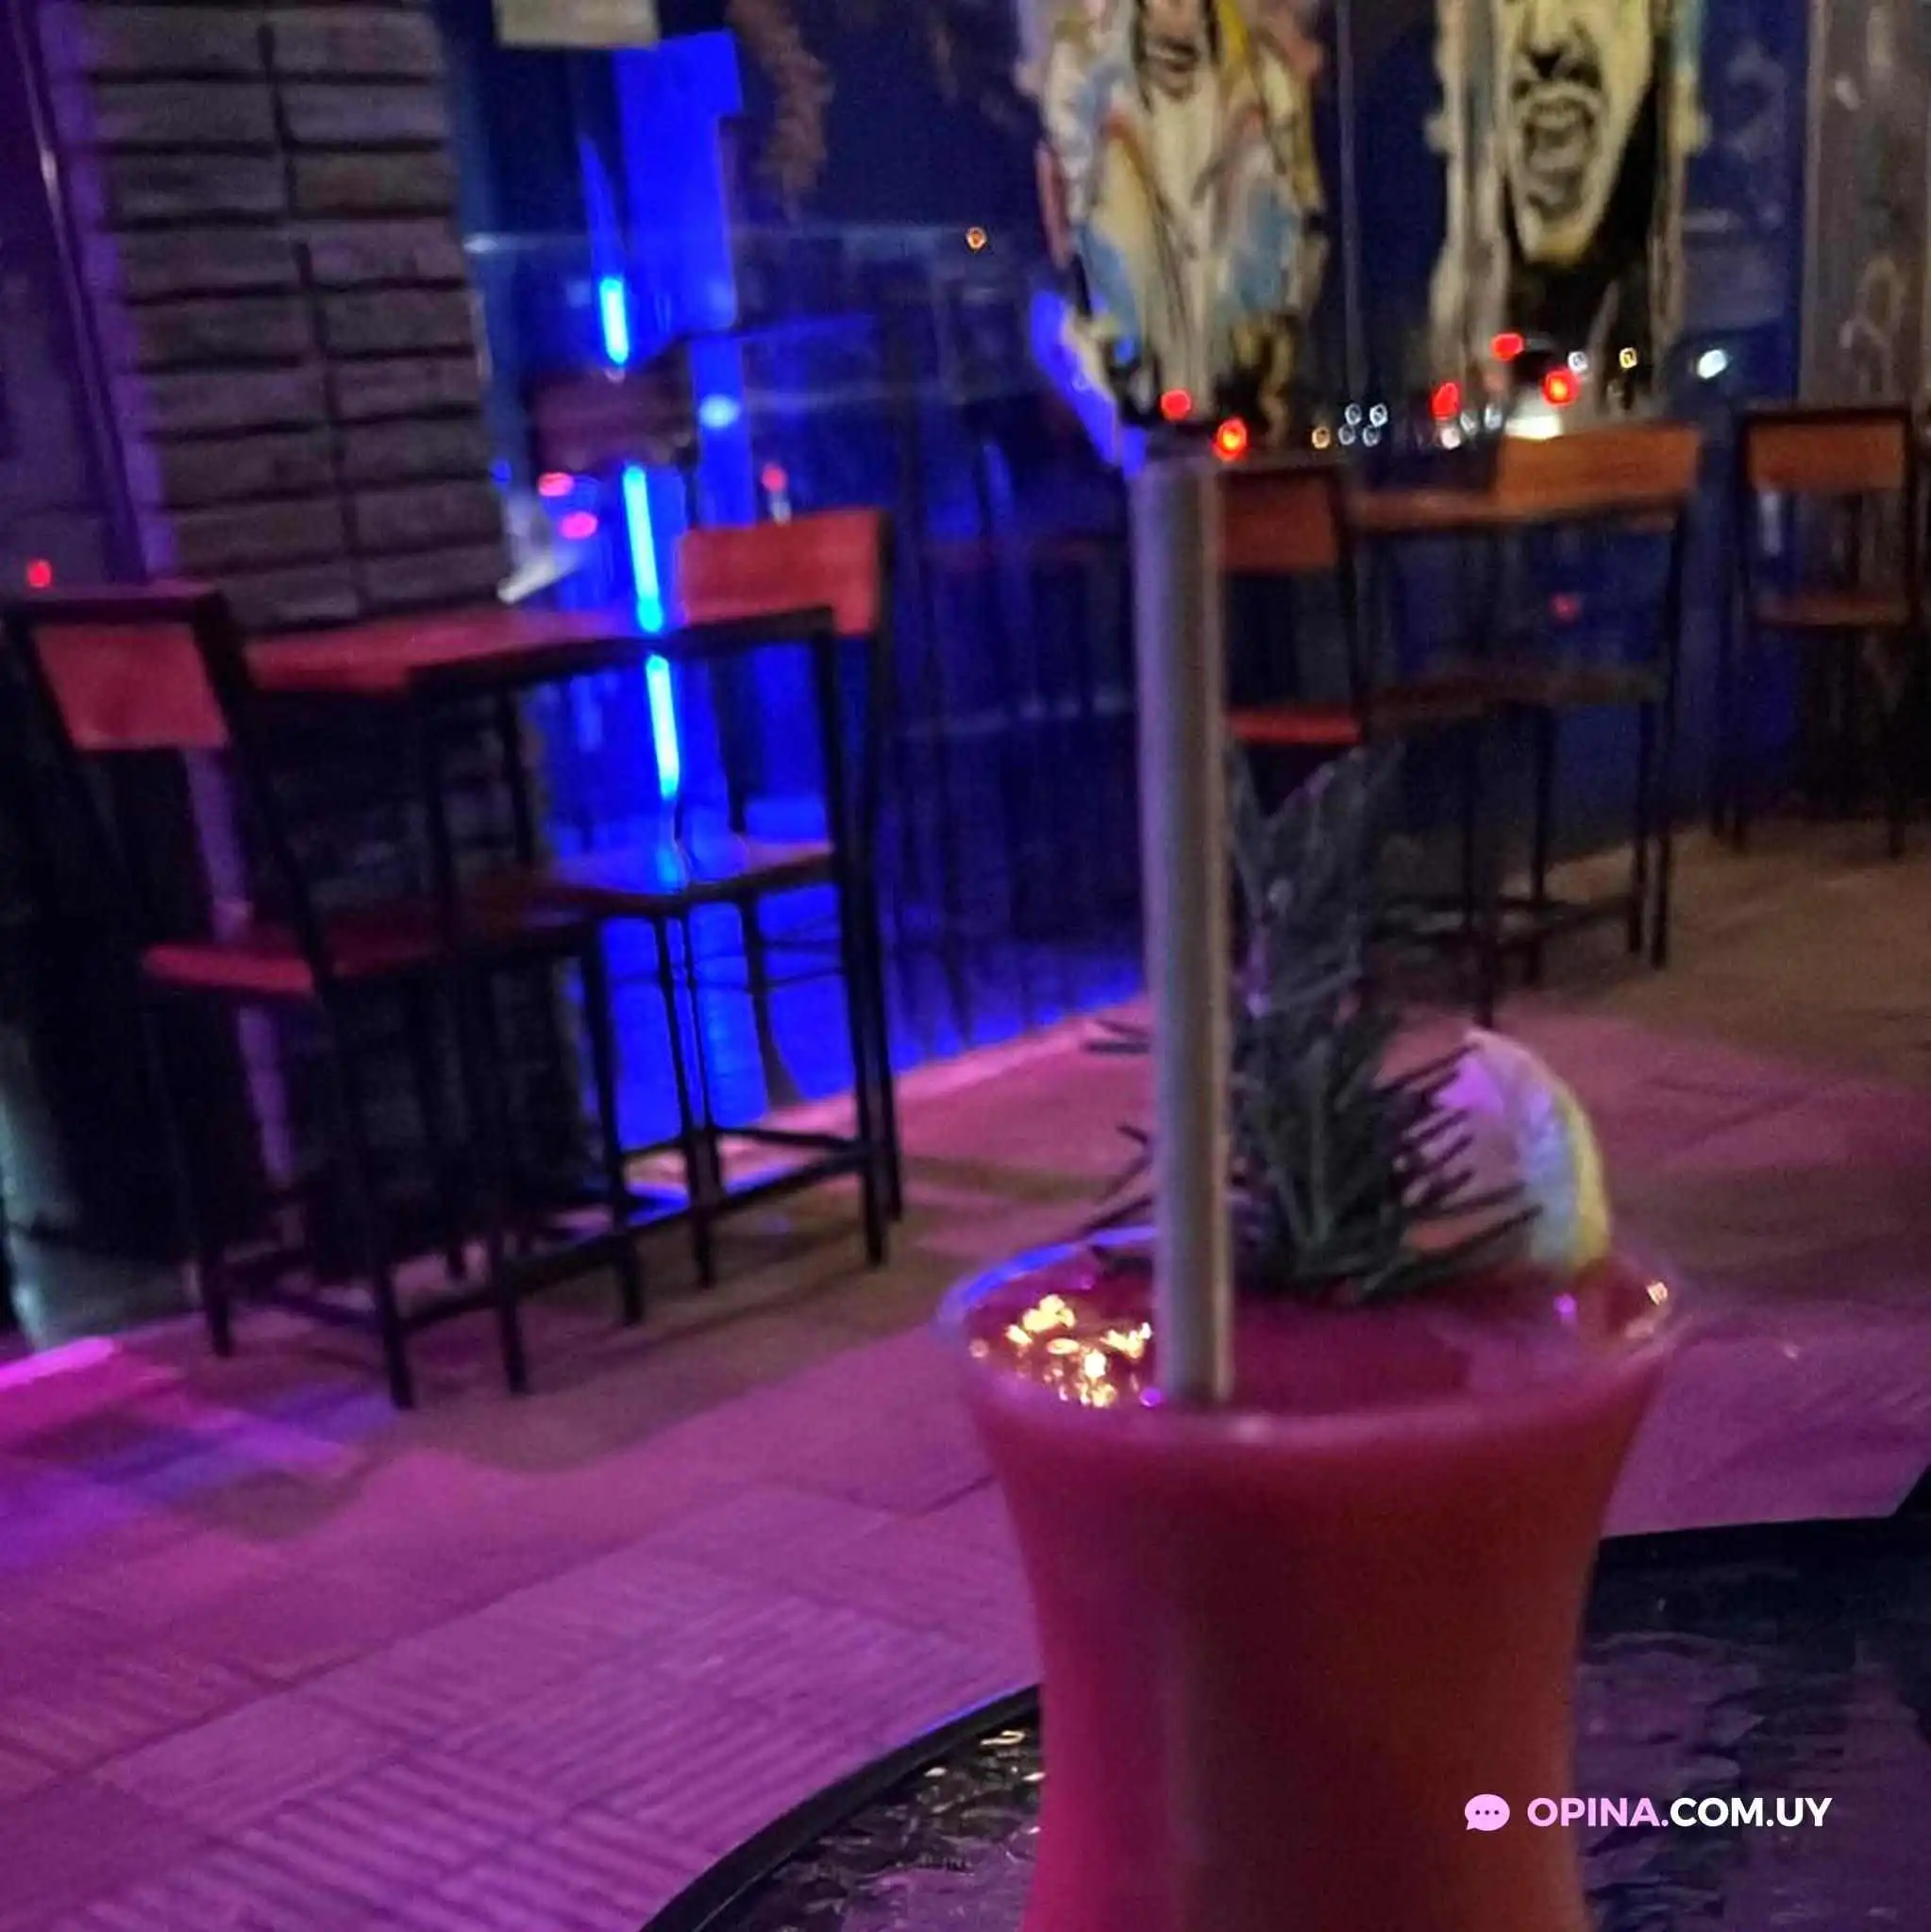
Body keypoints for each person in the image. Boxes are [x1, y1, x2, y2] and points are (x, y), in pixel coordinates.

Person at [1037, 0, 1324, 428]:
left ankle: (1233, 372)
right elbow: (1067, 147)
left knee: (1254, 188)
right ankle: (1149, 374)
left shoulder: (1258, 65)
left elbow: (1295, 189)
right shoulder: (1088, 59)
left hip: (1232, 324)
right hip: (1136, 143)